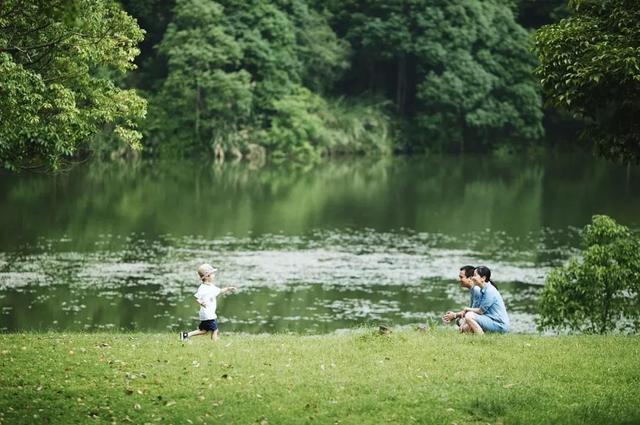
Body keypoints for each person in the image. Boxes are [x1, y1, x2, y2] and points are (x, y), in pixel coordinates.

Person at [180, 263, 236, 342]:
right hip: (207, 314)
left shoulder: (211, 286)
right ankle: (215, 344)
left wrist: (228, 288)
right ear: (207, 276)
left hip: (208, 314)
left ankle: (185, 335)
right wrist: (202, 303)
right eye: (212, 274)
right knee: (215, 330)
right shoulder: (203, 288)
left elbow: (219, 291)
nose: (214, 276)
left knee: (204, 331)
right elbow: (198, 298)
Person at [459, 266, 509, 334]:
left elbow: (480, 311)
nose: (472, 278)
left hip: (499, 324)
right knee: (465, 324)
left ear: (483, 278)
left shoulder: (489, 291)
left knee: (469, 316)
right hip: (490, 320)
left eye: (475, 275)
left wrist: (467, 309)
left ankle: (481, 337)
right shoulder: (483, 290)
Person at [442, 265, 481, 330]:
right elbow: (471, 310)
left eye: (461, 277)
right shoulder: (473, 289)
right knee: (459, 321)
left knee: (464, 324)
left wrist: (455, 315)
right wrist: (454, 315)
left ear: (470, 278)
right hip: (478, 317)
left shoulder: (477, 290)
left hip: (486, 319)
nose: (459, 280)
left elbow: (475, 312)